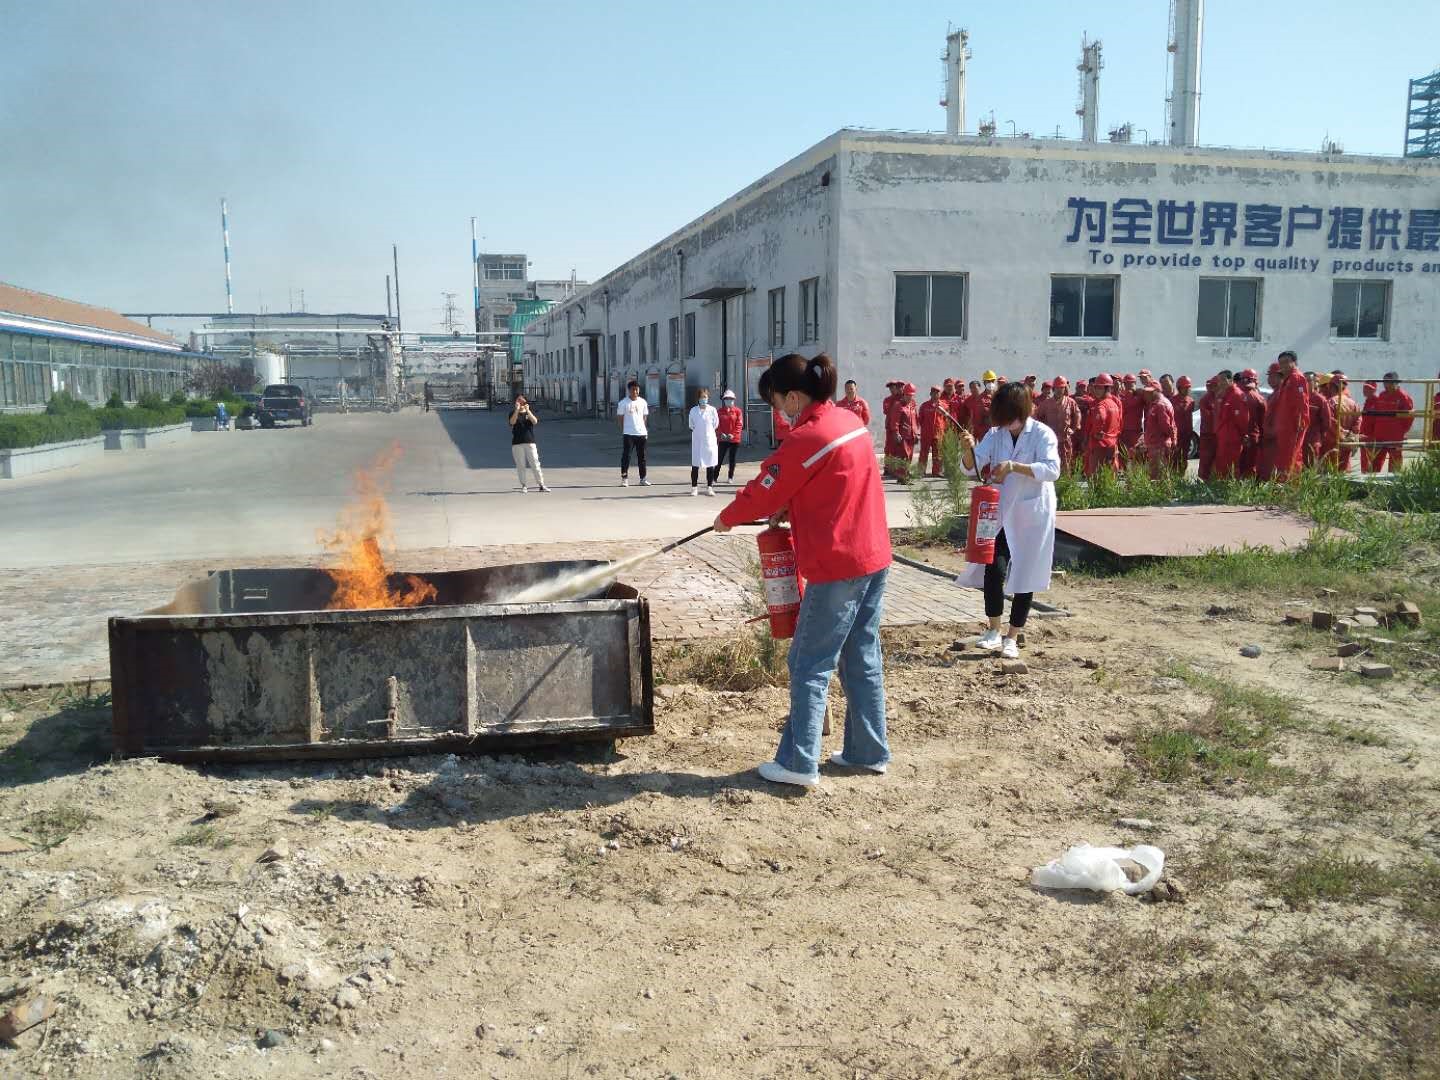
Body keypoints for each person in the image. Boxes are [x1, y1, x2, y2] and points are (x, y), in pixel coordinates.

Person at [713, 353, 892, 789]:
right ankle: (867, 752)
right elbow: (831, 483)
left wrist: (727, 517)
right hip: (873, 556)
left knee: (809, 662)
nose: (778, 411)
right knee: (861, 656)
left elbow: (763, 490)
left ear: (794, 396)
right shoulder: (847, 421)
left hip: (838, 565)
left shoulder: (808, 437)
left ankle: (798, 763)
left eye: (777, 402)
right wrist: (790, 507)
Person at [955, 384, 1060, 662]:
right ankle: (993, 629)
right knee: (994, 568)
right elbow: (971, 467)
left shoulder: (1042, 434)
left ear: (1021, 412)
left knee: (1025, 572)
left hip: (1031, 512)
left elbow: (1052, 469)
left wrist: (1014, 467)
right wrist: (968, 450)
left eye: (1008, 417)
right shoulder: (995, 434)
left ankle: (1012, 637)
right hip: (1000, 511)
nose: (1004, 423)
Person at [1369, 372, 1415, 474]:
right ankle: (1373, 479)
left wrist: (1401, 431)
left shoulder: (1403, 397)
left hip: (1395, 436)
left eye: (1388, 382)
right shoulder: (1382, 395)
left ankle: (1394, 480)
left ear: (1395, 382)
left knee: (1395, 460)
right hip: (1380, 434)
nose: (1385, 384)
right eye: (1384, 382)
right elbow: (1376, 413)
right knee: (1376, 459)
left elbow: (1409, 417)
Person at [1211, 370, 1251, 480]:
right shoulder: (1224, 395)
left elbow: (1243, 419)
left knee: (1231, 468)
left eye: (1223, 380)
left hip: (1232, 439)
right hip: (1223, 438)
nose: (1220, 383)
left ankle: (1230, 488)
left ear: (1230, 380)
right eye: (1219, 380)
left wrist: (1243, 435)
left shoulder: (1237, 395)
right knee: (1221, 467)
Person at [1037, 376, 1081, 473]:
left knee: (1066, 464)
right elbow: (1038, 417)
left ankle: (1065, 481)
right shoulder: (1046, 403)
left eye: (1062, 388)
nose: (1059, 390)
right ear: (1053, 389)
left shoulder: (1071, 402)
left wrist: (1073, 429)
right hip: (1050, 439)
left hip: (1065, 439)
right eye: (1057, 388)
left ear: (1065, 388)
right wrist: (1042, 431)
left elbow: (1077, 415)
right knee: (1051, 463)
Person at [1082, 373, 1122, 476]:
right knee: (1110, 475)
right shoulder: (1114, 404)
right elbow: (1119, 423)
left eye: (1099, 388)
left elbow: (1100, 417)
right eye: (1095, 387)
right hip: (1112, 444)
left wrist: (1096, 432)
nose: (1096, 390)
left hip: (1099, 446)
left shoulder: (1101, 405)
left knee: (1096, 477)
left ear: (1107, 388)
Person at [508, 394, 549, 493]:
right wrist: (517, 410)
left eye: (522, 400)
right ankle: (524, 485)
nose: (520, 402)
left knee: (535, 464)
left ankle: (541, 485)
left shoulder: (528, 412)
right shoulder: (512, 413)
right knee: (521, 465)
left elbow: (535, 421)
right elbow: (512, 422)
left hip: (530, 442)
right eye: (518, 400)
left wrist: (528, 411)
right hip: (517, 443)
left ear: (525, 401)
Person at [616, 380, 651, 488]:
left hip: (641, 434)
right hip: (628, 434)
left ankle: (643, 478)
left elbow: (644, 417)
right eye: (633, 389)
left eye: (637, 389)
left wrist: (644, 430)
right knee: (626, 456)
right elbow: (620, 418)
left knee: (642, 457)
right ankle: (624, 478)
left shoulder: (643, 402)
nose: (635, 391)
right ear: (629, 390)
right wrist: (624, 429)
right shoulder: (623, 403)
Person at [1140, 378, 1177, 479]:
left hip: (1159, 446)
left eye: (1149, 392)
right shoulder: (1157, 403)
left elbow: (1166, 426)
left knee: (1159, 476)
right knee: (1158, 475)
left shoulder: (1160, 405)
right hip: (1156, 445)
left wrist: (1172, 440)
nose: (1146, 394)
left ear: (1156, 391)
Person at [688, 387, 720, 496]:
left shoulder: (712, 410)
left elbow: (716, 424)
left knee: (710, 464)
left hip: (709, 441)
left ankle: (709, 487)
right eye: (701, 397)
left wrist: (707, 432)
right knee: (695, 465)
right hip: (697, 441)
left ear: (708, 397)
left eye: (705, 397)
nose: (703, 399)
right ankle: (694, 488)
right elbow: (691, 425)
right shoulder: (693, 410)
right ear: (698, 398)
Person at [885, 382, 919, 481]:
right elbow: (894, 421)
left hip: (911, 435)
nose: (909, 397)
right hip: (903, 436)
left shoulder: (912, 405)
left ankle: (906, 473)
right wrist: (896, 433)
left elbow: (916, 420)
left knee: (909, 456)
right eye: (908, 395)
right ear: (904, 394)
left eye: (911, 395)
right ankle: (901, 476)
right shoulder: (898, 405)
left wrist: (917, 433)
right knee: (903, 456)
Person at [1238, 369, 1266, 479]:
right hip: (1253, 438)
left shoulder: (1235, 396)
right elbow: (1263, 422)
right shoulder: (1259, 398)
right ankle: (1250, 487)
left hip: (1238, 438)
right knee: (1251, 466)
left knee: (1239, 466)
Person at [1329, 372, 1361, 474]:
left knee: (1332, 471)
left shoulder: (1331, 402)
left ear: (1331, 387)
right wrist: (1350, 434)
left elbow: (1331, 422)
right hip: (1348, 442)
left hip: (1334, 442)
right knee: (1345, 469)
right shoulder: (1353, 403)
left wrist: (1342, 434)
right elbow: (1358, 421)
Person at [1256, 363, 1283, 480]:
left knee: (1273, 469)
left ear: (1280, 376)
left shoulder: (1282, 394)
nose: (1269, 379)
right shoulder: (1274, 394)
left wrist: (1273, 433)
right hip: (1269, 437)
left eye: (1272, 376)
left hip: (1275, 439)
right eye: (1269, 376)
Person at [1305, 372, 1336, 469]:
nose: (1306, 383)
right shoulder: (1299, 398)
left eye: (1309, 380)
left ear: (1314, 382)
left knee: (1312, 468)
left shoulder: (1320, 400)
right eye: (1304, 380)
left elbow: (1327, 423)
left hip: (1313, 441)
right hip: (1299, 441)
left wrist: (1318, 436)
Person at [917, 385, 948, 478]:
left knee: (938, 453)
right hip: (926, 434)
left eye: (937, 393)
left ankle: (937, 471)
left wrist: (943, 430)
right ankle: (921, 471)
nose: (935, 395)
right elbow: (920, 420)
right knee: (923, 453)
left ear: (940, 394)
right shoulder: (924, 406)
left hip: (939, 433)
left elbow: (946, 420)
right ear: (930, 394)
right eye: (933, 393)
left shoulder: (944, 405)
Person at [716, 389, 745, 483]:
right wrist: (720, 433)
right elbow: (716, 424)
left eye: (731, 399)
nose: (729, 400)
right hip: (723, 438)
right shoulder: (719, 411)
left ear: (734, 400)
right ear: (724, 400)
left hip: (734, 439)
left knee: (732, 459)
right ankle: (714, 477)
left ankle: (730, 477)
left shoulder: (737, 411)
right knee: (719, 458)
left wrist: (733, 434)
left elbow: (739, 424)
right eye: (727, 399)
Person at [1170, 376, 1196, 472]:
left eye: (1188, 387)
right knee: (1174, 459)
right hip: (1176, 436)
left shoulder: (1191, 401)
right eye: (1185, 387)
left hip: (1187, 435)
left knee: (1184, 459)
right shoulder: (1172, 401)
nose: (1187, 389)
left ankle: (1181, 477)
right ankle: (1173, 477)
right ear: (1179, 388)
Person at [1118, 374, 1145, 468]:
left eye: (1131, 383)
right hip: (1123, 431)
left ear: (1135, 383)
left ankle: (1136, 472)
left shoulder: (1140, 396)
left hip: (1136, 431)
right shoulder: (1121, 396)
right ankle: (1124, 472)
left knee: (1136, 454)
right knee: (1123, 454)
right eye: (1126, 384)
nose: (1128, 386)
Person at [1197, 376, 1219, 481]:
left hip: (1217, 435)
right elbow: (1208, 417)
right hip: (1208, 435)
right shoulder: (1205, 399)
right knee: (1206, 460)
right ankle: (1204, 480)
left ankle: (1214, 480)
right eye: (1211, 386)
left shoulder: (1221, 397)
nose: (1212, 388)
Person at [968, 372, 996, 443]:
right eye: (988, 381)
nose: (990, 383)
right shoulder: (980, 399)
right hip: (986, 435)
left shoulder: (999, 396)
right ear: (984, 383)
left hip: (999, 433)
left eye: (992, 381)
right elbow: (977, 420)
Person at [1358, 381, 1379, 473]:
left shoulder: (1377, 401)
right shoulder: (1367, 402)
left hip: (1372, 436)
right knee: (1364, 459)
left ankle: (1371, 477)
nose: (1365, 390)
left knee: (1372, 461)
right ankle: (1364, 475)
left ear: (1374, 390)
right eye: (1364, 387)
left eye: (1368, 388)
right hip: (1364, 435)